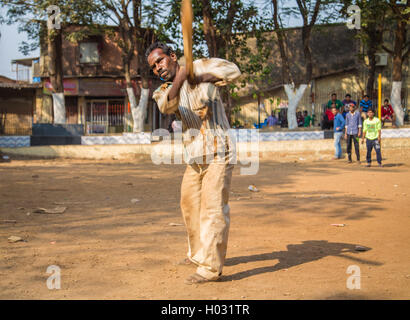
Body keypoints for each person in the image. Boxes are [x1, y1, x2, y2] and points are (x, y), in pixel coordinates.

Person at [146, 42, 241, 284]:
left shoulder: (200, 65)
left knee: (213, 209)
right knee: (190, 207)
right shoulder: (163, 90)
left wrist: (203, 76)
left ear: (172, 56)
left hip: (219, 151)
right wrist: (182, 76)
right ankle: (199, 254)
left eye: (160, 61)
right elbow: (167, 105)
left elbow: (233, 71)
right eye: (153, 66)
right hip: (195, 156)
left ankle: (210, 268)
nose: (157, 68)